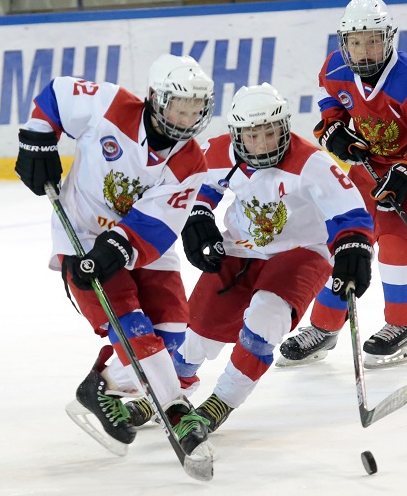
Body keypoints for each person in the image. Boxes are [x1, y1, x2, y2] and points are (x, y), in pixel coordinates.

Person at [14, 54, 216, 458]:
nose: (186, 118)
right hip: (83, 235)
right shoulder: (111, 104)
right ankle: (175, 409)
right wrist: (37, 138)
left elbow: (158, 224)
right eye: (179, 106)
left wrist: (120, 245)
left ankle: (100, 385)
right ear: (155, 99)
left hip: (141, 246)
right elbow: (56, 94)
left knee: (172, 331)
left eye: (195, 108)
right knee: (131, 326)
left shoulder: (191, 160)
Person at [148, 82, 374, 443]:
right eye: (252, 136)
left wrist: (353, 247)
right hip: (240, 249)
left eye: (270, 133)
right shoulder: (218, 151)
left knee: (265, 318)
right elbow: (195, 189)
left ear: (284, 127)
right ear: (236, 134)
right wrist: (198, 215)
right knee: (196, 332)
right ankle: (170, 389)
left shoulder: (310, 162)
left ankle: (222, 401)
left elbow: (350, 211)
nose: (263, 144)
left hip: (300, 251)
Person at [277, 0, 407, 369]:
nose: (364, 50)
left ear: (389, 39)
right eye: (356, 41)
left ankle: (403, 324)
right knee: (345, 237)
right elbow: (328, 97)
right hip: (371, 161)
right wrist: (332, 128)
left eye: (373, 40)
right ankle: (325, 326)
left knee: (396, 241)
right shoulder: (336, 67)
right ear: (345, 42)